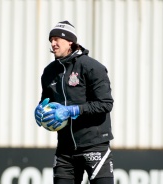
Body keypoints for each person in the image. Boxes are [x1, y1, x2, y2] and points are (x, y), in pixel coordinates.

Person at [34, 20, 114, 184]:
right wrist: (40, 111)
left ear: (70, 41)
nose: (53, 43)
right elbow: (46, 101)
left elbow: (105, 103)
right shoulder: (49, 72)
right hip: (65, 149)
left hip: (94, 145)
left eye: (57, 39)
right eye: (51, 40)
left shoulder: (92, 67)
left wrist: (72, 110)